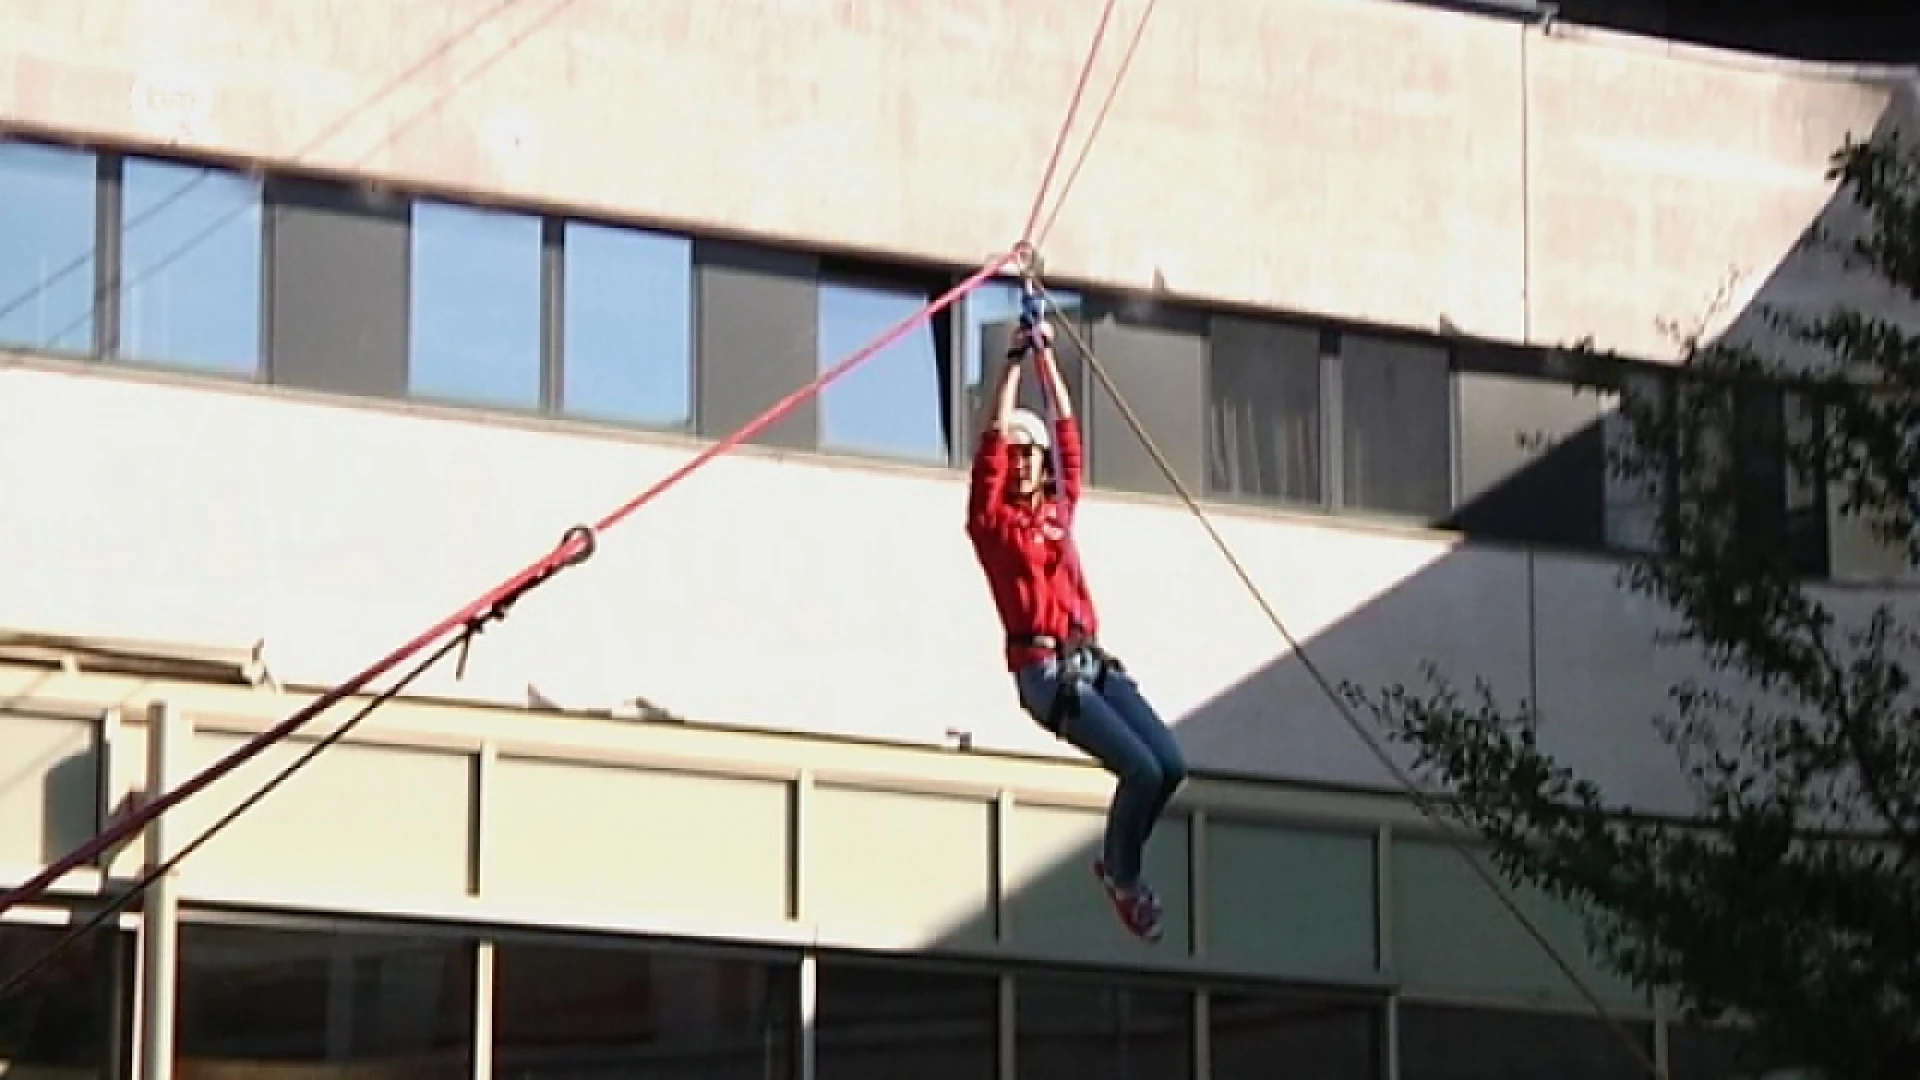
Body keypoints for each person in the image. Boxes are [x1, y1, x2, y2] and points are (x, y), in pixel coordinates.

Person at [964, 306, 1187, 943]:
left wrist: (1046, 357)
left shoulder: (1058, 510)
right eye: (1020, 457)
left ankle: (1120, 860)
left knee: (1170, 764)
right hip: (1044, 672)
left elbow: (1067, 438)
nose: (1030, 463)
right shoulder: (995, 530)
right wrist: (1011, 364)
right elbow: (990, 452)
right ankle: (1123, 877)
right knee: (1140, 772)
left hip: (1090, 659)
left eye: (1032, 457)